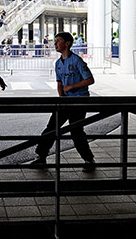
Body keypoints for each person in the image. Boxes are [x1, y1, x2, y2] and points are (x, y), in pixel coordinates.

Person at [31, 32, 96, 171]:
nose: (55, 44)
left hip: (79, 101)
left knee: (76, 131)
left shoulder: (77, 61)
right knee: (51, 128)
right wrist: (61, 98)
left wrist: (72, 86)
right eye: (55, 41)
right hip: (65, 102)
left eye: (58, 41)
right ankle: (41, 157)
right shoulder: (58, 63)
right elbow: (59, 83)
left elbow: (90, 80)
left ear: (67, 44)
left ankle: (89, 160)